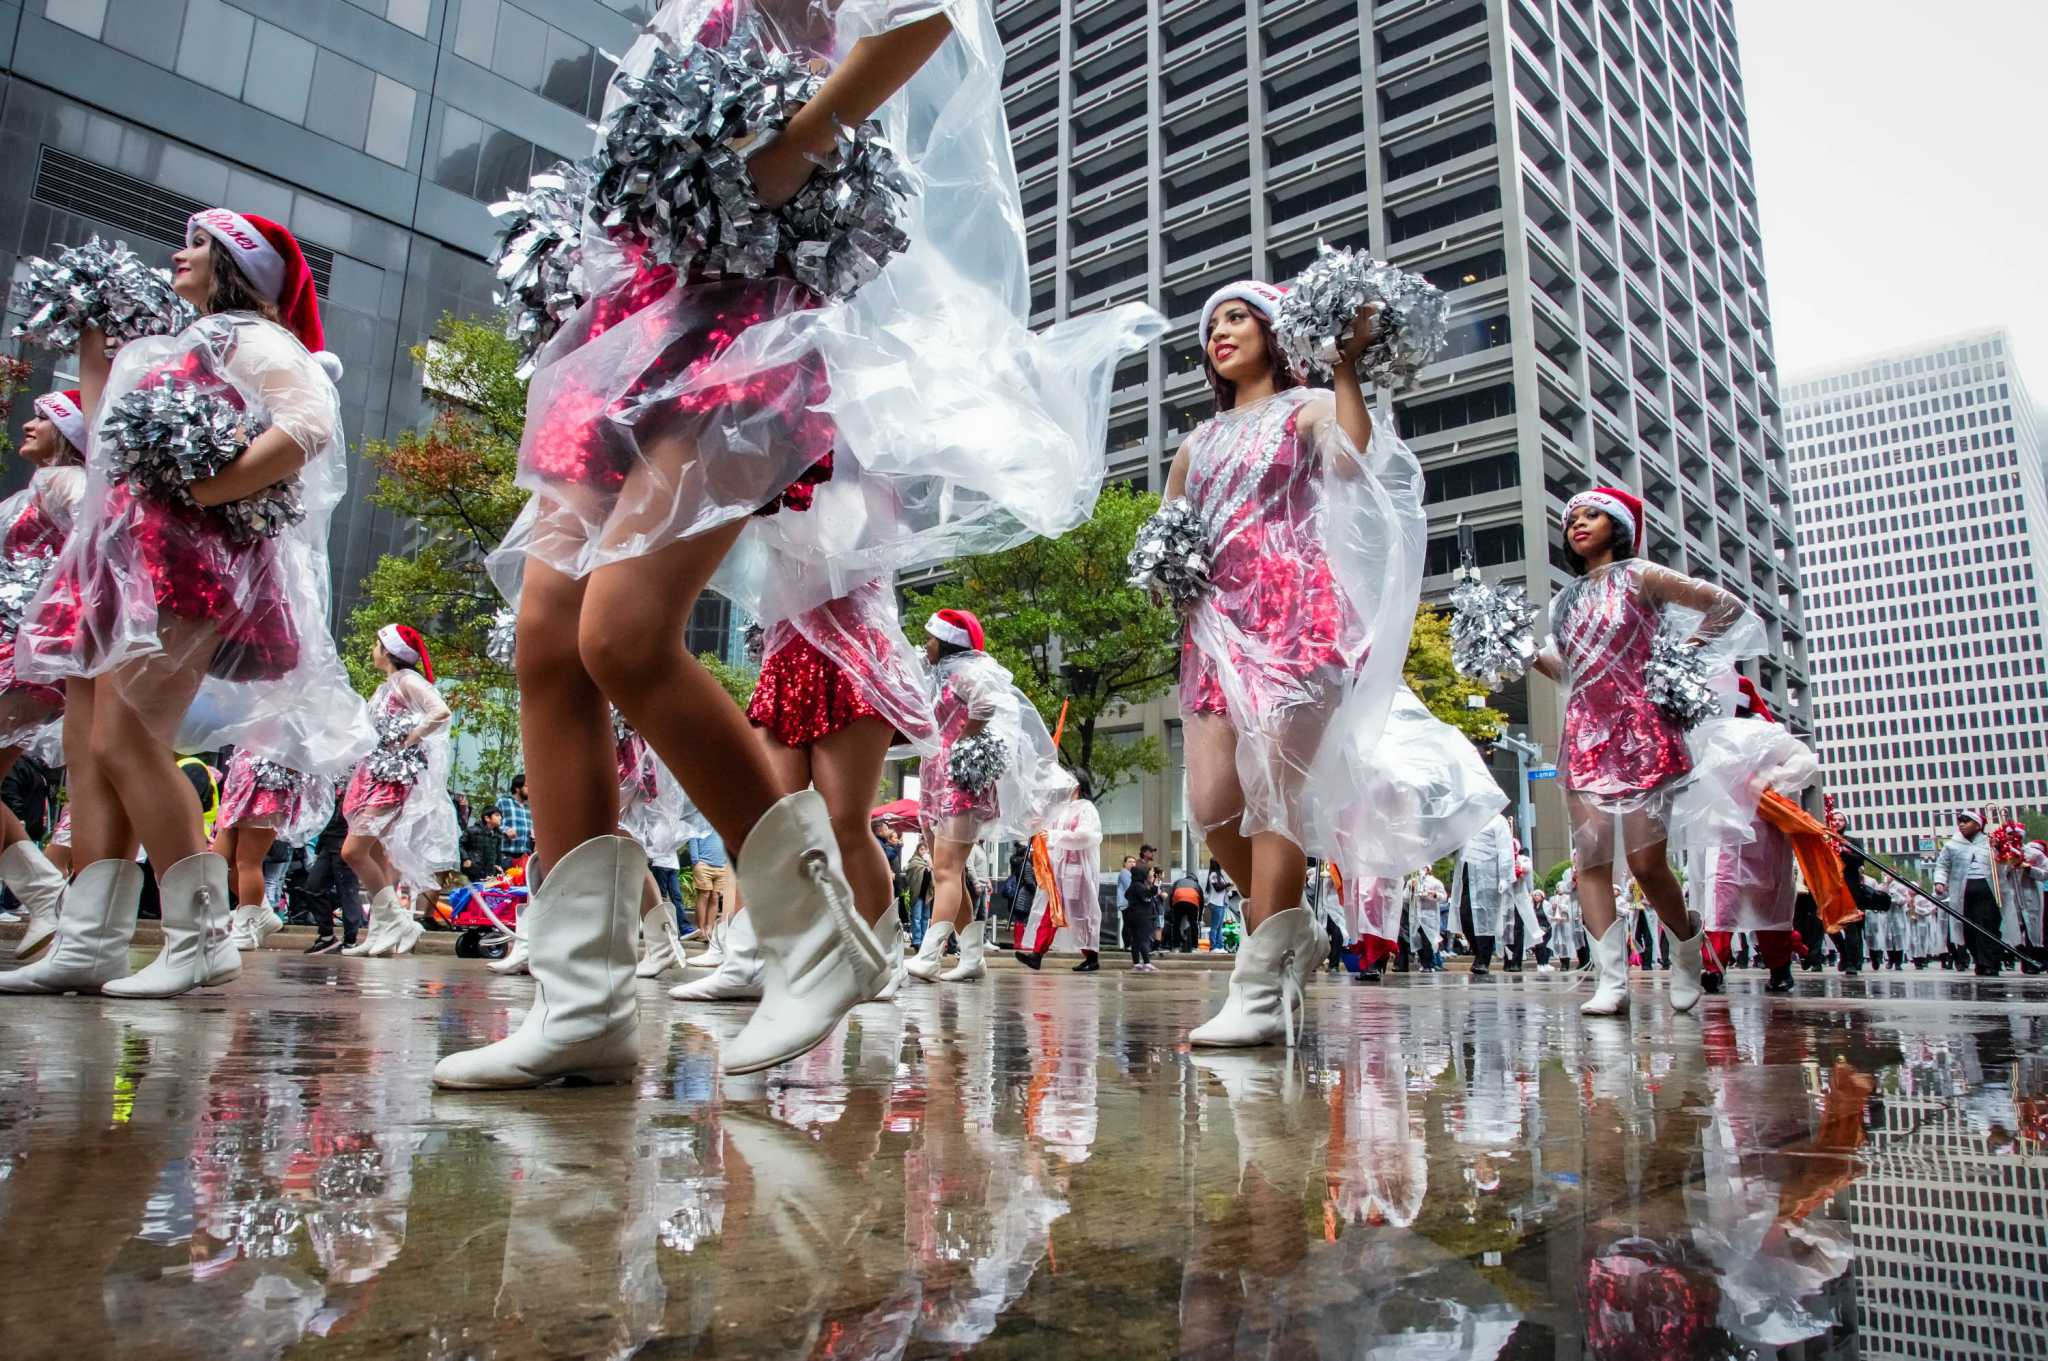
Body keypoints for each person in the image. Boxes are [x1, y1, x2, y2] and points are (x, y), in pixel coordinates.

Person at [435, 2, 1150, 1090]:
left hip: (744, 314)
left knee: (624, 634)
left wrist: (794, 141)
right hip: (624, 315)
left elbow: (918, 16)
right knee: (544, 637)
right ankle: (580, 999)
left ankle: (816, 935)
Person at [4, 209, 370, 999]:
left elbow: (308, 423)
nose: (181, 252)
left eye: (202, 243)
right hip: (118, 564)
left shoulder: (252, 338)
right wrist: (96, 340)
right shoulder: (186, 344)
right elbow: (105, 440)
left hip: (184, 566)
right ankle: (89, 939)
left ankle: (201, 934)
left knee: (129, 737)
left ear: (243, 268)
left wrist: (211, 487)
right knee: (94, 749)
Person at [1163, 280, 1498, 1049]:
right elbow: (1170, 528)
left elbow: (1351, 465)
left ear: (1274, 330)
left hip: (1294, 614)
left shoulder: (1306, 406)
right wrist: (1166, 572)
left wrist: (1344, 366)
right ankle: (1289, 933)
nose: (1220, 330)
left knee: (1270, 790)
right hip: (1212, 635)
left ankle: (1256, 988)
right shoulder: (1196, 442)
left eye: (1237, 316)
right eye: (1212, 322)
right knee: (1213, 807)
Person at [1528, 486, 1764, 1017]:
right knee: (1589, 857)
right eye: (1571, 520)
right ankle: (1611, 979)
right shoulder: (1563, 602)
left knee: (1645, 862)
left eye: (1592, 515)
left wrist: (1681, 658)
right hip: (1584, 733)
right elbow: (1567, 670)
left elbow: (1723, 607)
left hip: (1643, 728)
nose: (1579, 525)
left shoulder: (1642, 576)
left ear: (1618, 525)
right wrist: (1521, 651)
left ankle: (1686, 951)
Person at [905, 609, 1069, 986]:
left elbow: (985, 705)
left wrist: (963, 742)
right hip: (935, 775)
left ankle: (929, 956)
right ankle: (973, 956)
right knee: (950, 872)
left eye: (930, 638)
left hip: (960, 779)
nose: (925, 643)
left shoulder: (966, 673)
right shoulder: (940, 676)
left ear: (947, 642)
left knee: (945, 870)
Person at [0, 390, 87, 964]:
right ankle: (45, 896)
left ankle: (47, 896)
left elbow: (102, 545)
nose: (29, 424)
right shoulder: (37, 488)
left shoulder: (68, 483)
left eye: (45, 417)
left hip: (27, 653)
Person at [1672, 675, 1818, 995]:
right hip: (1722, 834)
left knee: (1771, 902)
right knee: (1718, 904)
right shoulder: (1703, 737)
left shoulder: (1766, 733)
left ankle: (1779, 966)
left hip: (1764, 830)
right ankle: (1714, 967)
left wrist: (1772, 777)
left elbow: (1804, 761)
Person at [338, 626, 458, 958]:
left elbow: (440, 711)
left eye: (376, 643)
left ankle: (399, 923)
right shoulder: (387, 685)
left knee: (353, 851)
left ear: (389, 650)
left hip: (392, 777)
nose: (372, 649)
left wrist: (409, 740)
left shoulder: (407, 680)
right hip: (377, 774)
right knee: (376, 855)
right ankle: (380, 931)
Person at [214, 747, 332, 952]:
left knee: (247, 862)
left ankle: (245, 928)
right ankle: (262, 912)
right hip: (240, 782)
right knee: (220, 861)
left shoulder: (291, 718)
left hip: (268, 785)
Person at [1015, 774, 1104, 971]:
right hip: (1057, 871)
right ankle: (1037, 954)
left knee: (1080, 914)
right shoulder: (1059, 809)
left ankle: (1091, 956)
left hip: (1076, 872)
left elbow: (1087, 835)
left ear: (1077, 784)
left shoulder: (1086, 808)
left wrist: (1055, 835)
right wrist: (1038, 827)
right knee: (1052, 911)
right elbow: (1046, 835)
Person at [1934, 810, 2004, 977]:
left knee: (1987, 926)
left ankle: (1990, 962)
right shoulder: (1952, 845)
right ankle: (1980, 961)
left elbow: (2005, 864)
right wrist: (1940, 881)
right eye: (1960, 822)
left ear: (1978, 825)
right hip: (1963, 893)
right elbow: (1942, 865)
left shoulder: (1991, 842)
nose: (1962, 824)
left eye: (1967, 821)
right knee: (1969, 929)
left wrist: (2000, 848)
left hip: (1988, 891)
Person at [1450, 813, 1514, 977]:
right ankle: (1478, 952)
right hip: (1466, 873)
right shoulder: (1466, 820)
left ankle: (1483, 960)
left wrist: (1506, 876)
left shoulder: (1498, 821)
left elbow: (1505, 849)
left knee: (1487, 919)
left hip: (1488, 876)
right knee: (1465, 915)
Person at [1124, 861, 1160, 972]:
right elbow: (1147, 895)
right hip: (1142, 917)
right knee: (1144, 939)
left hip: (1133, 916)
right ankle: (1147, 963)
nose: (1152, 874)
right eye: (1151, 872)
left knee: (1136, 940)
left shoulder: (1133, 885)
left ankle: (1137, 963)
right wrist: (1155, 887)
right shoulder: (1139, 886)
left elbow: (1127, 895)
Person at [462, 805, 508, 882]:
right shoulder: (472, 831)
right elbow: (461, 845)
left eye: (500, 816)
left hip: (489, 873)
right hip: (473, 871)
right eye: (497, 815)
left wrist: (499, 865)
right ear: (487, 818)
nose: (500, 818)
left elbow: (498, 852)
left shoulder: (498, 834)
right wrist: (466, 859)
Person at [495, 774, 533, 862]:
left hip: (526, 856)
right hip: (507, 855)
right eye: (527, 786)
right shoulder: (503, 802)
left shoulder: (530, 807)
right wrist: (505, 830)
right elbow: (491, 824)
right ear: (517, 788)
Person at [1203, 860, 1233, 953]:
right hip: (1215, 903)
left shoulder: (1219, 875)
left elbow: (1222, 888)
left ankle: (1219, 946)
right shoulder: (1213, 875)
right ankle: (1213, 947)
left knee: (1219, 927)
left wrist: (1228, 887)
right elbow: (1217, 888)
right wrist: (1227, 885)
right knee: (1215, 927)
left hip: (1221, 903)